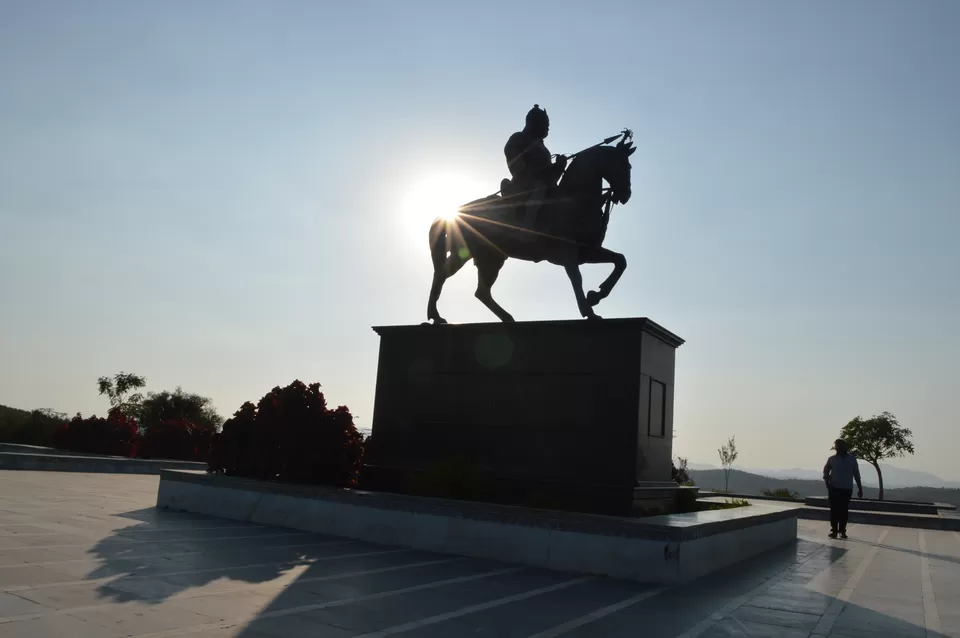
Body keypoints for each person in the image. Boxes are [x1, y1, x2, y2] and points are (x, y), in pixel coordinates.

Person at [501, 105, 568, 228]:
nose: (547, 127)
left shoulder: (545, 150)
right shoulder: (519, 137)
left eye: (548, 124)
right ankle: (527, 226)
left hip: (543, 186)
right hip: (523, 184)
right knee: (540, 189)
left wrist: (559, 167)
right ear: (534, 123)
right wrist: (525, 170)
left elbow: (550, 179)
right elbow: (510, 151)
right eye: (545, 123)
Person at [823, 438, 863, 539]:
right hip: (834, 488)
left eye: (839, 445)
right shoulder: (831, 459)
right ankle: (834, 531)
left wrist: (860, 488)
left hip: (846, 489)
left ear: (844, 447)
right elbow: (826, 471)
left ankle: (842, 531)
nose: (837, 448)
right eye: (836, 446)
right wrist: (827, 483)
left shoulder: (852, 459)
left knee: (844, 511)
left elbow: (856, 474)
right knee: (834, 510)